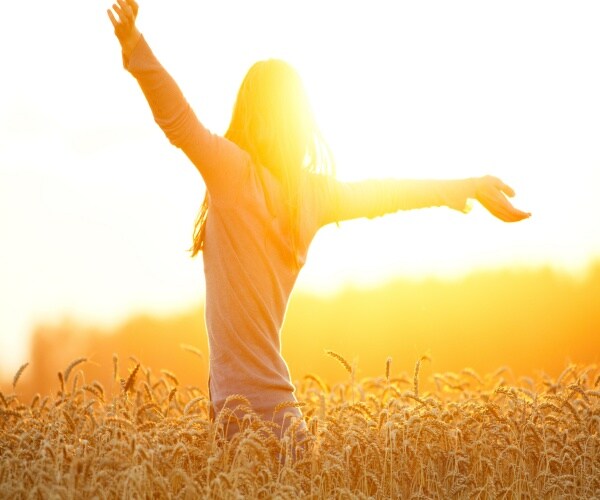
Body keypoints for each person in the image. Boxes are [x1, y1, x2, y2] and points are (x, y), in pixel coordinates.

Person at [107, 0, 530, 438]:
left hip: (243, 426)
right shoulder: (310, 195)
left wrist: (135, 46)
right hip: (289, 426)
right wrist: (468, 186)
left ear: (248, 114)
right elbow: (389, 193)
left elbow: (178, 118)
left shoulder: (233, 174)